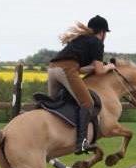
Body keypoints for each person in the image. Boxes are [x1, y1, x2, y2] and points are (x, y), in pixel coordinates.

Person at [47, 15, 116, 153]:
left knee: (52, 104)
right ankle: (82, 142)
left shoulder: (80, 39)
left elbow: (81, 69)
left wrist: (98, 67)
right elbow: (100, 71)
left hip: (52, 69)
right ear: (102, 32)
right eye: (105, 34)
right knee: (88, 103)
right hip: (66, 70)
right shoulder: (97, 43)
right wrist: (109, 67)